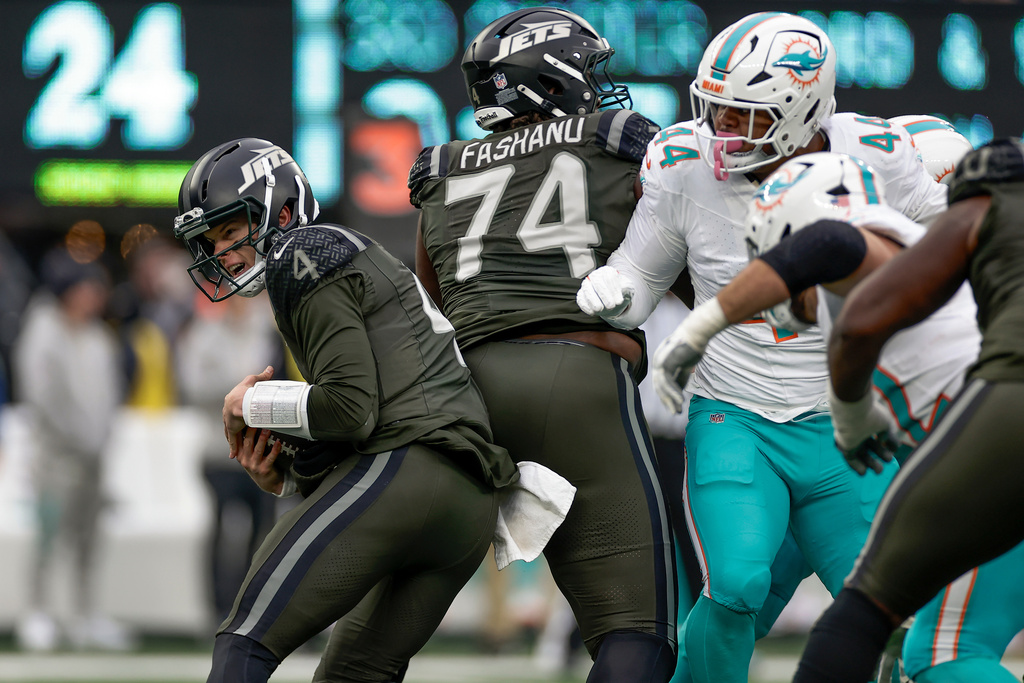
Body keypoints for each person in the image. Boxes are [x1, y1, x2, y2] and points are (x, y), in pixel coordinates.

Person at [575, 12, 948, 683]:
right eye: (715, 107)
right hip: (735, 414)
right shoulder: (682, 162)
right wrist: (615, 290)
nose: (721, 128)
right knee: (738, 580)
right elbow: (640, 275)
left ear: (803, 110)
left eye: (744, 115)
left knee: (895, 611)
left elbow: (953, 237)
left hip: (842, 419)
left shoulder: (878, 153)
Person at [172, 137, 562, 683]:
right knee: (355, 673)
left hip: (407, 470)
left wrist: (249, 402)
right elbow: (365, 414)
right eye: (212, 240)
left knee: (245, 639)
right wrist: (288, 474)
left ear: (281, 213)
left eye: (232, 232)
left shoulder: (303, 253)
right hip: (466, 501)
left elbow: (351, 408)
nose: (223, 253)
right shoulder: (342, 256)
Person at [409, 7, 678, 682]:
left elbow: (431, 303)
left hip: (469, 394)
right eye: (588, 70)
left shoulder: (439, 167)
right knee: (637, 632)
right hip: (578, 376)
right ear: (551, 80)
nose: (600, 84)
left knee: (378, 636)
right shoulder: (614, 139)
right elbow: (693, 273)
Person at [791, 138, 1024, 682]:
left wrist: (850, 416)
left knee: (935, 645)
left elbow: (861, 322)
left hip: (1004, 406)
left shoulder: (974, 212)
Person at [12, 246, 135, 652]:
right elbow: (42, 397)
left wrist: (100, 439)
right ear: (69, 290)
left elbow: (110, 394)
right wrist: (79, 437)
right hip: (55, 458)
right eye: (89, 288)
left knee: (89, 539)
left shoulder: (99, 336)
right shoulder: (42, 333)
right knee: (48, 536)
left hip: (94, 457)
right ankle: (37, 612)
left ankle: (85, 615)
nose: (96, 297)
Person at [175, 289, 281, 628]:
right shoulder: (204, 334)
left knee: (262, 530)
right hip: (218, 449)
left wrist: (241, 394)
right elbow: (192, 386)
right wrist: (239, 393)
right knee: (222, 528)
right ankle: (218, 609)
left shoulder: (265, 331)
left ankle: (249, 606)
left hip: (259, 446)